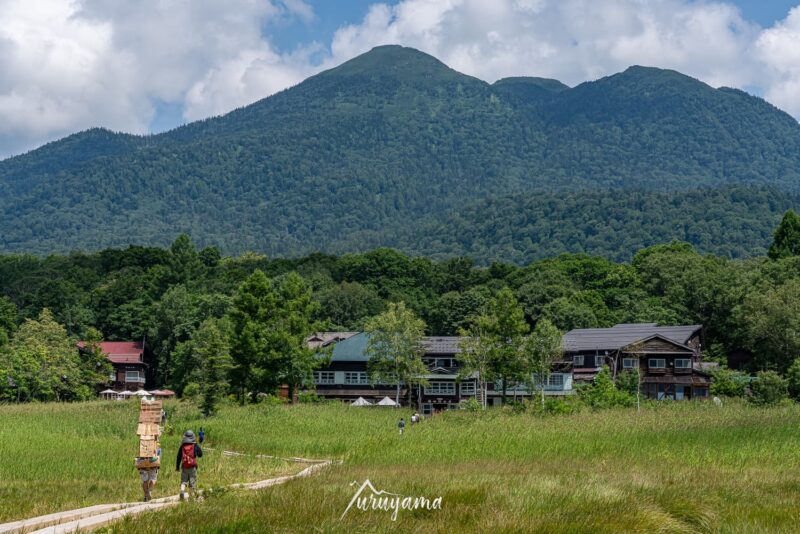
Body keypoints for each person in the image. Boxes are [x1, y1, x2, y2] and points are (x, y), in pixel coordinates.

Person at [176, 430, 203, 500]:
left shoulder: (182, 446)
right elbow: (200, 454)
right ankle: (191, 497)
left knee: (183, 481)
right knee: (192, 482)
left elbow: (178, 457)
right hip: (192, 467)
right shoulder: (195, 445)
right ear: (193, 437)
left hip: (184, 467)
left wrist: (177, 467)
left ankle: (182, 491)